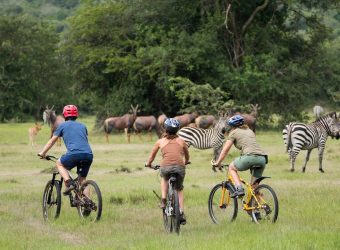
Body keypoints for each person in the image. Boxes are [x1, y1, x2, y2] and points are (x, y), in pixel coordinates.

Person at [38, 105, 93, 195]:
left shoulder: (62, 126)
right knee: (83, 180)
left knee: (59, 163)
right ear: (76, 115)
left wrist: (43, 153)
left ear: (64, 115)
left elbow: (52, 141)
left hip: (74, 154)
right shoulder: (83, 126)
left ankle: (68, 182)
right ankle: (87, 203)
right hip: (88, 154)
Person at [145, 118, 190, 225]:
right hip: (180, 167)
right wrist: (186, 162)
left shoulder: (160, 141)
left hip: (165, 167)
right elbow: (187, 155)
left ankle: (164, 199)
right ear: (177, 130)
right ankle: (181, 212)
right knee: (179, 189)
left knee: (164, 178)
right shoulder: (181, 141)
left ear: (165, 129)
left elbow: (151, 157)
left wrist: (149, 164)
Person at [212, 115, 267, 198]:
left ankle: (239, 188)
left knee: (231, 167)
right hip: (262, 158)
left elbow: (225, 150)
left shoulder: (233, 132)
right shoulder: (250, 131)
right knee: (254, 188)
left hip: (249, 157)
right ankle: (257, 208)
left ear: (231, 126)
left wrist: (218, 162)